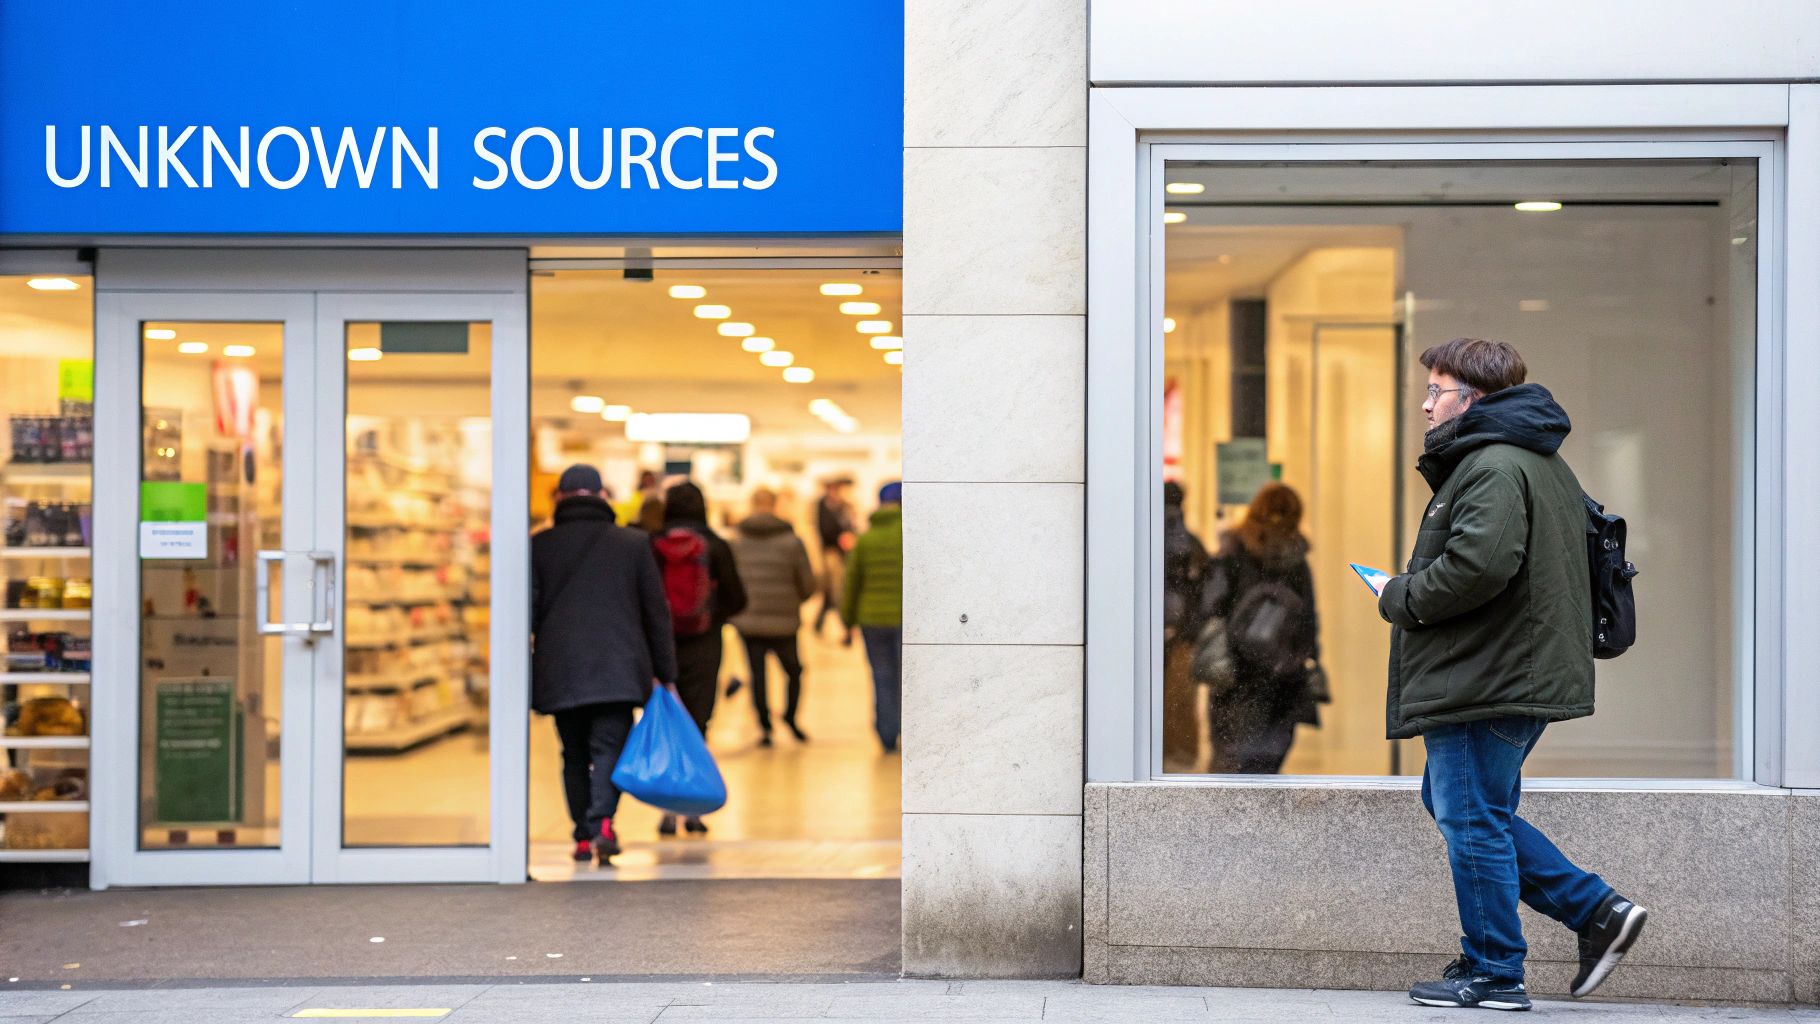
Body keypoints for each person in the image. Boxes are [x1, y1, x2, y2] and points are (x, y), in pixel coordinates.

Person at [1380, 338, 1647, 1010]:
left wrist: (1398, 594)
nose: (1426, 403)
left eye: (1436, 389)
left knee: (1471, 817)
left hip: (1488, 674)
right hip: (1508, 669)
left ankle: (1496, 969)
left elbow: (1479, 565)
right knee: (1461, 806)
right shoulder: (1532, 459)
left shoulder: (1494, 464)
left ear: (1473, 398)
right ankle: (1597, 912)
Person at [530, 464, 676, 866]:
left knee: (573, 753)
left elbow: (528, 613)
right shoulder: (632, 544)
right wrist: (666, 672)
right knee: (610, 747)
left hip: (561, 667)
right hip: (619, 666)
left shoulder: (540, 546)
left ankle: (581, 834)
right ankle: (603, 823)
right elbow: (655, 613)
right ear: (603, 496)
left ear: (560, 498)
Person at [1200, 482, 1322, 774]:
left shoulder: (1233, 549)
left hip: (1235, 672)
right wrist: (1309, 658)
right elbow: (1308, 619)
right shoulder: (1296, 559)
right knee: (1268, 760)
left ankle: (1225, 817)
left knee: (1229, 760)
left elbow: (1212, 604)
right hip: (1282, 675)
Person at [651, 480, 747, 836]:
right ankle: (691, 809)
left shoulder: (652, 544)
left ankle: (665, 808)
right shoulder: (716, 545)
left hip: (661, 645)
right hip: (705, 644)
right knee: (697, 723)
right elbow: (739, 599)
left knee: (666, 722)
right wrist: (713, 612)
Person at [729, 487, 818, 747]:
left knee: (758, 674)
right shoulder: (792, 540)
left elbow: (731, 583)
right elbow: (809, 584)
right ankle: (790, 718)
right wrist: (792, 601)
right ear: (775, 505)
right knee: (794, 670)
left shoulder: (736, 540)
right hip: (785, 622)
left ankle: (765, 726)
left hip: (748, 620)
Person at [842, 481, 902, 752]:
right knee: (908, 677)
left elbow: (852, 583)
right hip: (906, 620)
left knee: (882, 674)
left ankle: (886, 732)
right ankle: (907, 726)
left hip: (872, 620)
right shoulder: (913, 534)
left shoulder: (865, 538)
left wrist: (847, 621)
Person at [1160, 481, 1210, 769]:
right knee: (1180, 697)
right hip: (1185, 634)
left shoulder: (1146, 538)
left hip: (1154, 634)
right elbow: (1204, 588)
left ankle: (1160, 751)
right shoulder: (1189, 542)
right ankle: (1180, 755)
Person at [813, 478, 856, 634]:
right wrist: (841, 539)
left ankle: (821, 624)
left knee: (831, 593)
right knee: (837, 592)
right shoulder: (823, 506)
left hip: (843, 554)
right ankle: (847, 628)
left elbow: (851, 526)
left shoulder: (843, 507)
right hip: (832, 553)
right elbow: (825, 530)